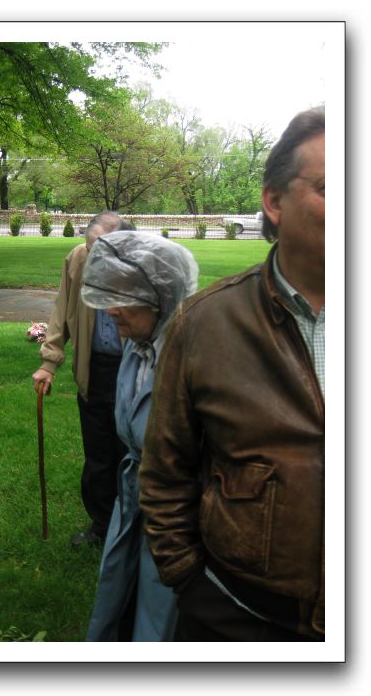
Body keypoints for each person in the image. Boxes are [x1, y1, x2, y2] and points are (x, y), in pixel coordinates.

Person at [139, 106, 326, 642]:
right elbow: (164, 473)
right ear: (274, 201)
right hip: (236, 617)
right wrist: (190, 581)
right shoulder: (205, 323)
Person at [80, 230, 199, 641]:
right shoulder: (136, 343)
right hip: (135, 496)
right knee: (120, 593)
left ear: (161, 297)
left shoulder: (193, 357)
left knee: (161, 612)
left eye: (122, 298)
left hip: (177, 515)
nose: (110, 311)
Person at [32, 212, 134, 547]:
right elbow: (62, 309)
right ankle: (102, 525)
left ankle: (135, 528)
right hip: (94, 369)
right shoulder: (78, 257)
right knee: (98, 455)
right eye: (91, 249)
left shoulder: (144, 262)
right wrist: (49, 362)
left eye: (101, 250)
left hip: (136, 371)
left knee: (132, 455)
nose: (94, 256)